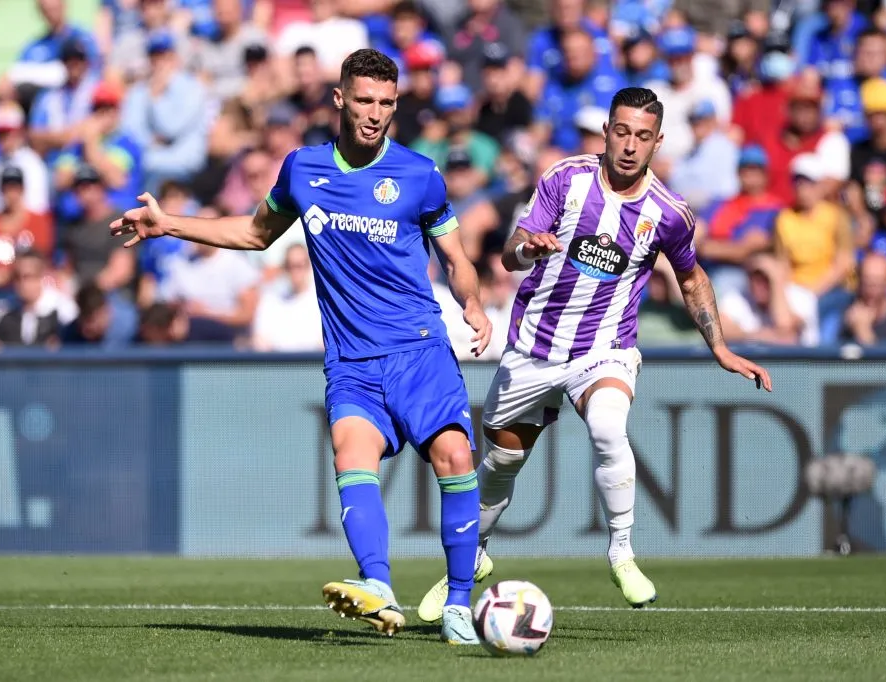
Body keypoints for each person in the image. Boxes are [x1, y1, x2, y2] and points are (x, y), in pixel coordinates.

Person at [110, 49, 492, 644]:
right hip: (351, 361)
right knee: (351, 458)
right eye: (365, 100)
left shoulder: (419, 175)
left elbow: (456, 258)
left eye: (387, 103)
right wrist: (171, 225)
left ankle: (460, 604)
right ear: (339, 99)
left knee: (456, 460)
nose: (375, 114)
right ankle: (380, 588)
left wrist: (471, 302)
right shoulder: (302, 170)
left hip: (419, 349)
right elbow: (255, 233)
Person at [416, 87, 772, 622]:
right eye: (622, 132)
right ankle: (472, 559)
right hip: (533, 348)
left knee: (609, 426)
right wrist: (526, 247)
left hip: (605, 349)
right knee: (501, 461)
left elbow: (692, 277)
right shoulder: (565, 178)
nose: (630, 146)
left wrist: (718, 346)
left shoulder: (669, 213)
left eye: (643, 136)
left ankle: (622, 552)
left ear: (658, 143)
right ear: (607, 131)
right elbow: (512, 252)